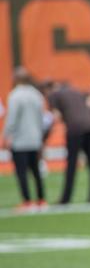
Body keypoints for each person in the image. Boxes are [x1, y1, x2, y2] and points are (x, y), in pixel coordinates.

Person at [47, 81, 90, 204]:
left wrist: (45, 135)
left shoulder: (54, 95)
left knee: (71, 165)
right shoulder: (77, 91)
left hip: (75, 129)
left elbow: (56, 116)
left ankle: (66, 198)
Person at [3, 68, 46, 211]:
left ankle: (27, 201)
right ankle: (41, 199)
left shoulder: (15, 96)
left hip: (20, 141)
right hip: (35, 139)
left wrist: (6, 136)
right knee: (36, 172)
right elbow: (41, 119)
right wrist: (41, 137)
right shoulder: (36, 95)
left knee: (22, 172)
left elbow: (12, 119)